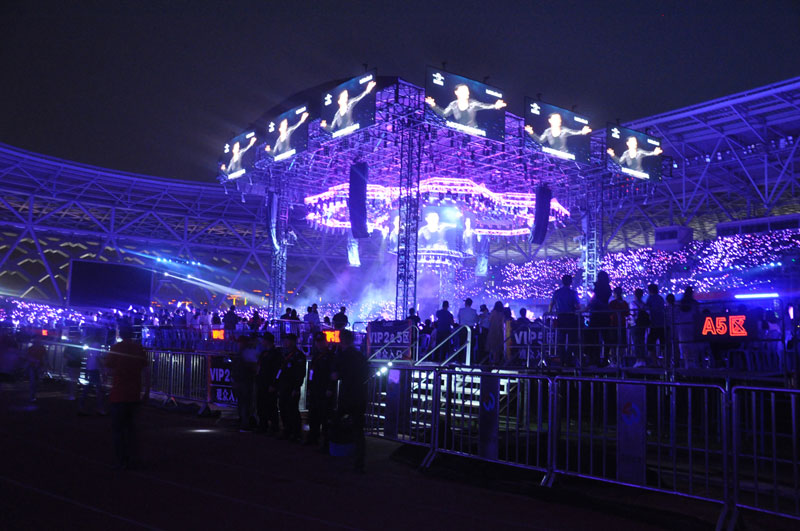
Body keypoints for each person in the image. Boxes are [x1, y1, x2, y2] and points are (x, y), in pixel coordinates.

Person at [105, 325, 149, 470]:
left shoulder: (116, 348)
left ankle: (121, 460)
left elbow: (108, 369)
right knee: (131, 428)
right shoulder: (138, 349)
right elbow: (146, 370)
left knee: (118, 429)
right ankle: (134, 457)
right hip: (134, 393)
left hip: (118, 393)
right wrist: (147, 391)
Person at [331, 329, 369, 472]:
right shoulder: (360, 356)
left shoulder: (342, 356)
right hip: (359, 395)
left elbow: (335, 375)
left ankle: (338, 449)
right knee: (358, 429)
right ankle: (359, 461)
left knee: (338, 421)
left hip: (347, 394)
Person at [425, 84, 506, 129]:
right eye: (464, 91)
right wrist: (433, 104)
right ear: (456, 92)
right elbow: (444, 114)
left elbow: (485, 106)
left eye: (467, 91)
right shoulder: (453, 104)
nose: (467, 93)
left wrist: (495, 105)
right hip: (459, 132)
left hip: (473, 132)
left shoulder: (473, 103)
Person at [306, 332, 335, 449]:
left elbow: (333, 374)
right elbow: (311, 373)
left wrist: (330, 388)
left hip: (324, 390)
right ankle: (313, 437)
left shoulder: (330, 356)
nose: (319, 344)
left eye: (321, 341)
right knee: (313, 415)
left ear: (326, 342)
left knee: (325, 416)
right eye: (317, 342)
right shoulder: (316, 355)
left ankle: (325, 442)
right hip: (315, 389)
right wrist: (309, 387)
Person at [276, 334, 306, 441]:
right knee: (283, 408)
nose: (285, 343)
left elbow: (300, 374)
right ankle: (287, 430)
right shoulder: (285, 354)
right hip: (283, 386)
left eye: (287, 341)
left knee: (292, 409)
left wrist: (296, 387)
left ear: (293, 342)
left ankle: (296, 433)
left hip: (292, 387)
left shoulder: (299, 356)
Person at [549, 274, 581, 367]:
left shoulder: (557, 293)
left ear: (562, 282)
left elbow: (551, 304)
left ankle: (562, 360)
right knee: (572, 340)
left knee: (561, 340)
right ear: (570, 282)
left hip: (561, 318)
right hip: (571, 318)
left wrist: (549, 313)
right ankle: (568, 359)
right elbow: (578, 306)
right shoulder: (573, 293)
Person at [525, 112, 591, 152]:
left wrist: (582, 132)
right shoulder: (547, 131)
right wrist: (531, 132)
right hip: (553, 156)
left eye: (559, 119)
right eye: (555, 119)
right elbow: (540, 140)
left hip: (565, 156)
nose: (558, 120)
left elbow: (574, 132)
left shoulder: (564, 130)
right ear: (550, 120)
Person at [256, 332, 281, 434]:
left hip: (269, 383)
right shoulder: (264, 353)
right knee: (261, 405)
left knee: (271, 406)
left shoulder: (276, 354)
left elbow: (277, 371)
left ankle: (274, 427)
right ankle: (263, 425)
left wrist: (274, 384)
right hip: (262, 383)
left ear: (267, 341)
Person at [586, 271, 612, 367]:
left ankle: (594, 358)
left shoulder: (597, 287)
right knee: (606, 338)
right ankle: (605, 359)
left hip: (596, 315)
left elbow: (595, 300)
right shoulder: (608, 288)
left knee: (593, 337)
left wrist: (586, 308)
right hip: (605, 315)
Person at [234, 335, 259, 431]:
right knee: (243, 402)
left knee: (245, 403)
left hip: (245, 380)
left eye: (240, 342)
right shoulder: (244, 353)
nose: (239, 344)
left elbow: (253, 367)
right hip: (242, 380)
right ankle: (243, 421)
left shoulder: (246, 353)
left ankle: (245, 422)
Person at [79, 333, 105, 415]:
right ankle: (100, 408)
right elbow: (97, 357)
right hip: (95, 368)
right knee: (97, 389)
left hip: (90, 368)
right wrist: (103, 368)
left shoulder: (91, 345)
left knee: (88, 388)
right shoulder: (97, 345)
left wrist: (86, 370)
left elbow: (88, 357)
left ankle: (81, 406)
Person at [675, 287, 701, 369]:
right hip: (692, 325)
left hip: (681, 326)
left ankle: (686, 364)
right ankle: (694, 364)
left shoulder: (679, 303)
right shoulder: (695, 304)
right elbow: (698, 314)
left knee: (683, 345)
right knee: (692, 345)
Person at [608, 287, 630, 367]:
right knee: (621, 343)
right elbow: (627, 314)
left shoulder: (612, 303)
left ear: (615, 294)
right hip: (622, 325)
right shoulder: (624, 303)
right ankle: (620, 360)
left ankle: (613, 361)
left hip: (613, 325)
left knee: (613, 343)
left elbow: (609, 312)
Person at [646, 283, 666, 366]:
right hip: (662, 324)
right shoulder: (660, 298)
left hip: (654, 324)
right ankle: (665, 362)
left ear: (650, 290)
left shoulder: (650, 298)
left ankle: (655, 362)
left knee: (650, 343)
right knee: (663, 344)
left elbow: (647, 310)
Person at [631, 288, 649, 368]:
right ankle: (643, 360)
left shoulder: (633, 303)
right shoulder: (644, 304)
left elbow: (632, 314)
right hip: (643, 325)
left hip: (635, 324)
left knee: (636, 342)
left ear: (635, 294)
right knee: (642, 341)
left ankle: (638, 360)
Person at [26, 336, 47, 402]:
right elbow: (45, 357)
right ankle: (32, 395)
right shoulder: (40, 348)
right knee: (34, 381)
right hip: (35, 366)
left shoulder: (32, 348)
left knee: (34, 381)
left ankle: (33, 395)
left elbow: (28, 357)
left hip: (36, 366)